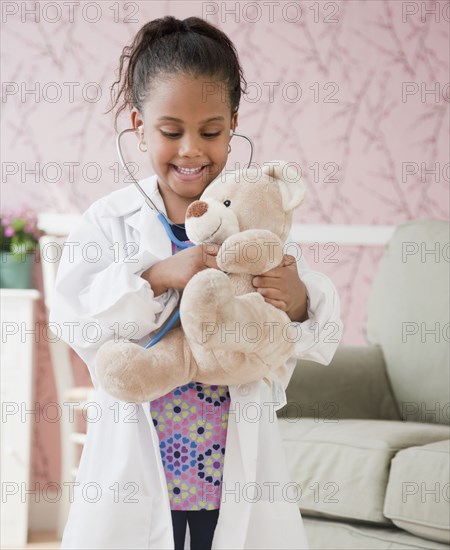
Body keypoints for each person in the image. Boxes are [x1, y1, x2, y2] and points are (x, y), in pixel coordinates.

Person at [50, 15, 344, 550]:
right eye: (170, 132)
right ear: (139, 126)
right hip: (142, 456)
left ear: (233, 126)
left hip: (230, 457)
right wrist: (159, 276)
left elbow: (312, 332)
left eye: (210, 132)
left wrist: (297, 300)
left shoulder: (262, 218)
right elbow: (77, 319)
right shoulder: (108, 220)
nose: (191, 150)